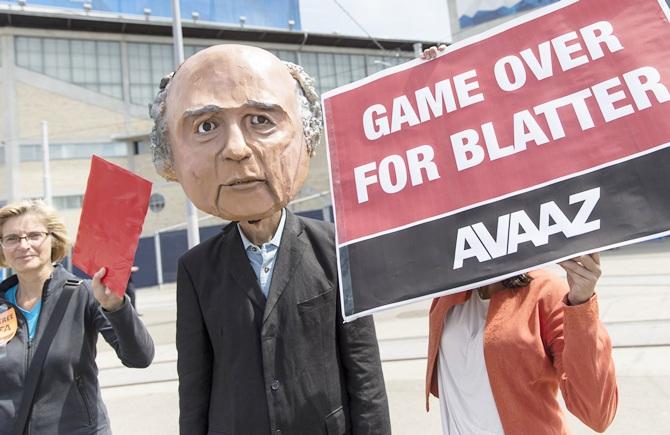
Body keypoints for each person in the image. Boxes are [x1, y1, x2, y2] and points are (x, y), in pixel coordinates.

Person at [149, 44, 391, 434]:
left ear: (305, 134)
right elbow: (194, 383)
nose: (236, 150)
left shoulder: (334, 249)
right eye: (207, 126)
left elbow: (364, 372)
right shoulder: (196, 269)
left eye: (260, 120)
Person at [420, 46, 618, 434]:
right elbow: (446, 161)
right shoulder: (447, 293)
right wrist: (435, 93)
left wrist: (581, 302)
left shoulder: (544, 291)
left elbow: (598, 413)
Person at [0, 200, 155, 435]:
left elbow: (139, 357)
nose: (24, 245)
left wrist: (117, 307)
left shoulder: (84, 294)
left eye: (34, 235)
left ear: (53, 239)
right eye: (12, 238)